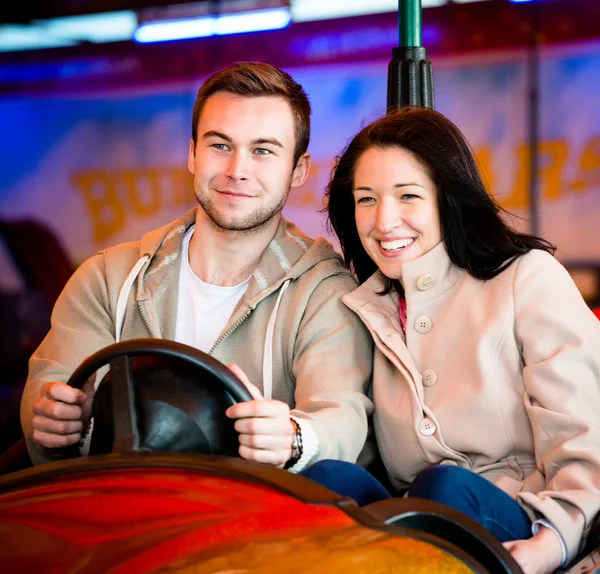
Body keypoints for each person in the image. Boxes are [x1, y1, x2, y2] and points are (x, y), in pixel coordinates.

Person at [20, 62, 374, 474]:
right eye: (220, 145)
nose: (236, 170)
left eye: (262, 151)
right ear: (192, 154)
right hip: (120, 508)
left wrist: (294, 438)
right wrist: (50, 419)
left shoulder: (325, 290)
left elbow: (342, 418)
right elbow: (48, 388)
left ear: (298, 170)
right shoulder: (107, 279)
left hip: (255, 524)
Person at [303, 107, 600, 574]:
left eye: (408, 196)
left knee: (443, 489)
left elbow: (585, 436)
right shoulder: (361, 306)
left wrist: (555, 541)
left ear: (447, 198)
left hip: (527, 521)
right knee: (324, 483)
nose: (384, 222)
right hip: (418, 527)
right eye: (366, 199)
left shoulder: (527, 278)